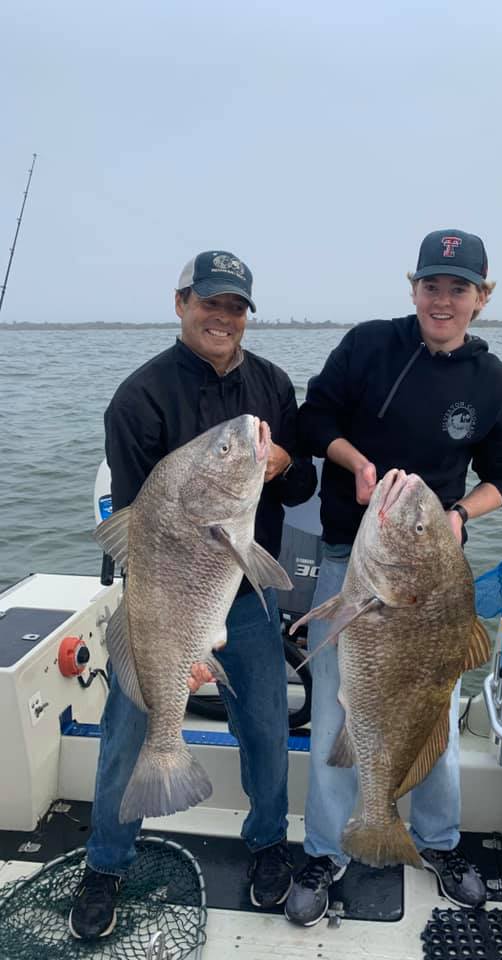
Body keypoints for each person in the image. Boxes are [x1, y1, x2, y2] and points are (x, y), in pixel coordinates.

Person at [69, 250, 317, 940]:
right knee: (127, 730)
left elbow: (297, 489)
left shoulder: (271, 385)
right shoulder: (139, 397)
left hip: (241, 587)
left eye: (236, 307)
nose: (224, 317)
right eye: (211, 302)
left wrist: (284, 461)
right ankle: (106, 862)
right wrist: (178, 636)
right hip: (160, 593)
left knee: (266, 725)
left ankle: (268, 845)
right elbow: (129, 518)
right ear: (181, 303)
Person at [285, 229, 502, 926]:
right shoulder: (368, 345)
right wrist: (357, 466)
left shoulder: (495, 384)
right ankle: (329, 849)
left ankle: (439, 841)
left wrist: (457, 513)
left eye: (458, 288)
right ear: (412, 287)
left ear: (482, 298)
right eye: (431, 285)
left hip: (434, 577)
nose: (442, 300)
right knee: (337, 713)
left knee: (437, 720)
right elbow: (314, 419)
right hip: (349, 563)